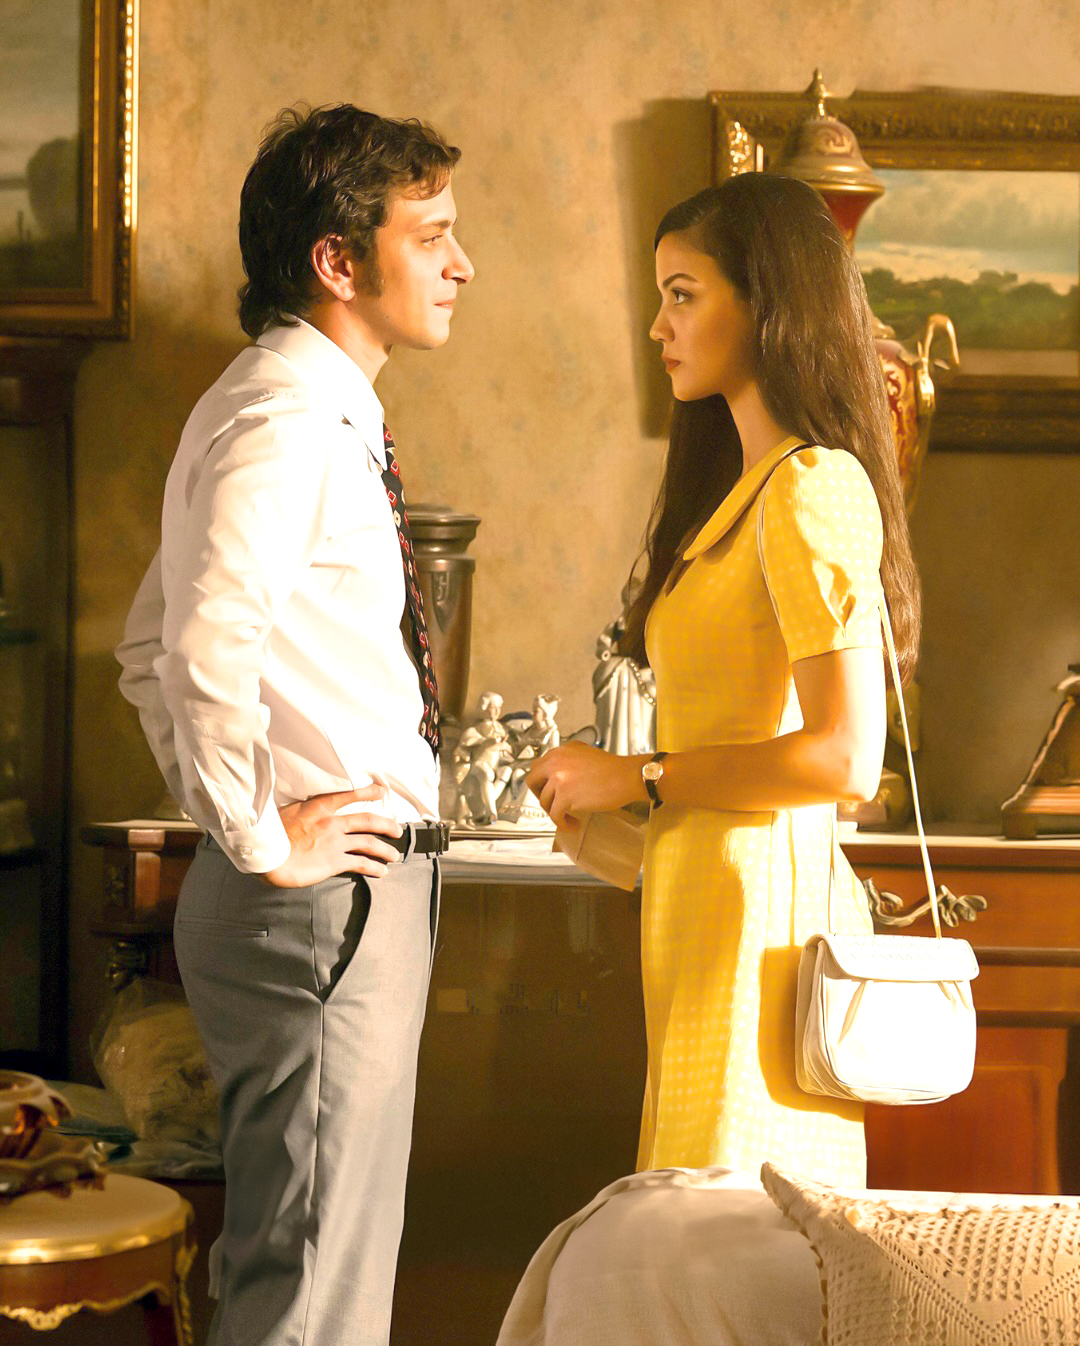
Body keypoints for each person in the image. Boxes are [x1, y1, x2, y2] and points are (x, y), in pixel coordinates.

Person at [116, 104, 473, 1346]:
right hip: (323, 906)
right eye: (430, 235)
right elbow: (193, 650)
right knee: (314, 1301)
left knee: (309, 1285)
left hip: (329, 903)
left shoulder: (291, 406)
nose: (461, 264)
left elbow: (147, 648)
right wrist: (261, 833)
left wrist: (246, 824)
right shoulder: (285, 419)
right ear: (337, 259)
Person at [528, 173, 920, 1188]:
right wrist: (607, 809)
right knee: (690, 1226)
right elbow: (723, 772)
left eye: (683, 294)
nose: (657, 324)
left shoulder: (811, 486)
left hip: (758, 935)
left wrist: (635, 775)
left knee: (725, 1230)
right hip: (700, 918)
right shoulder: (740, 496)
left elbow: (845, 758)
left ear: (766, 305)